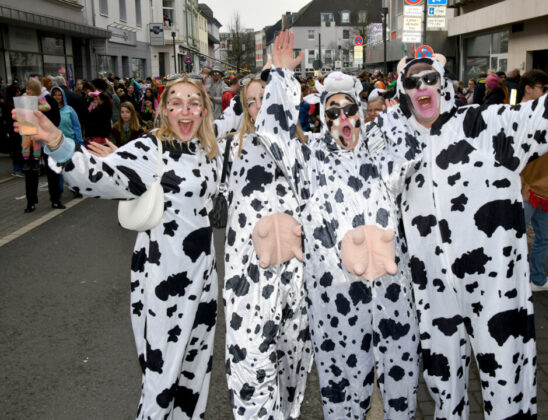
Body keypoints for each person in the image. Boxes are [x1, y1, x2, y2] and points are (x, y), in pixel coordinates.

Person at [369, 53, 548, 419]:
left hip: (495, 287)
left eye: (429, 78)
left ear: (442, 82)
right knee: (444, 385)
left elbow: (544, 113)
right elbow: (345, 161)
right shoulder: (393, 143)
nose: (422, 87)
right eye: (412, 82)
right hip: (433, 290)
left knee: (507, 378)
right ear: (402, 91)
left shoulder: (483, 124)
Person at [16, 76, 223, 418]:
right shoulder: (149, 149)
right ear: (164, 110)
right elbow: (97, 176)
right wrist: (59, 143)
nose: (185, 110)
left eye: (193, 103)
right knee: (162, 378)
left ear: (203, 109)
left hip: (204, 282)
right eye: (176, 103)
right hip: (163, 283)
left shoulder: (208, 150)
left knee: (195, 374)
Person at [255, 31, 420, 419]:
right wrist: (279, 78)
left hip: (392, 295)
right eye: (332, 111)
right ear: (322, 117)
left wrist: (409, 84)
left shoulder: (380, 153)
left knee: (402, 388)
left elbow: (414, 149)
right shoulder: (309, 158)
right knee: (343, 391)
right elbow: (272, 137)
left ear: (360, 114)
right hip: (336, 303)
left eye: (349, 110)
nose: (342, 118)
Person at [223, 76, 313, 420]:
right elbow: (191, 166)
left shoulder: (305, 149)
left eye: (267, 97)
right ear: (245, 110)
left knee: (293, 361)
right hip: (248, 281)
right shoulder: (231, 149)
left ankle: (288, 412)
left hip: (297, 279)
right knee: (251, 363)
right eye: (252, 101)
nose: (260, 106)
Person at [517, 70, 548, 292]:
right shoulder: (516, 115)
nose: (547, 92)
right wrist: (522, 186)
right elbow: (508, 157)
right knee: (515, 242)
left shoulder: (544, 114)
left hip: (545, 189)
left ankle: (536, 279)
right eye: (543, 89)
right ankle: (513, 284)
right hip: (525, 192)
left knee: (546, 237)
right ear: (529, 88)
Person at [21, 78, 63, 212]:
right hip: (29, 138)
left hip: (46, 140)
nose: (29, 91)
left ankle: (55, 199)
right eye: (27, 88)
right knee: (31, 172)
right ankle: (30, 202)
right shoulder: (23, 100)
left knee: (52, 171)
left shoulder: (47, 99)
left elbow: (55, 120)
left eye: (31, 88)